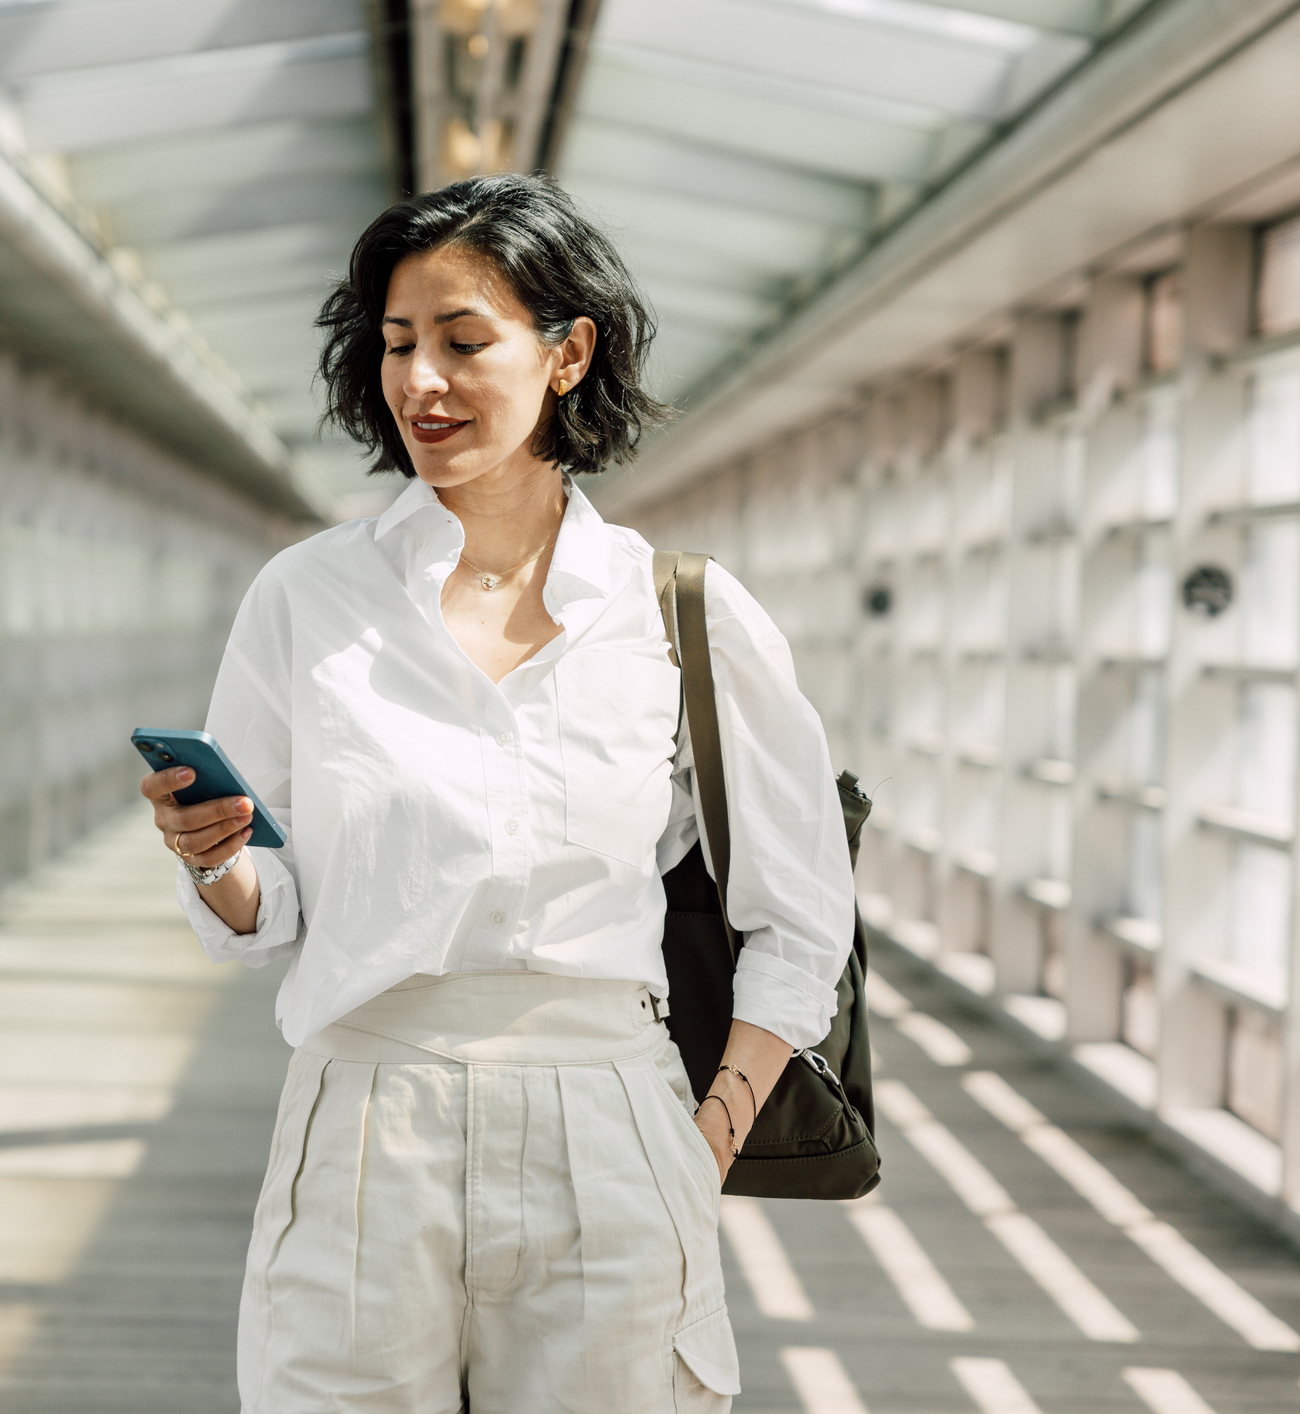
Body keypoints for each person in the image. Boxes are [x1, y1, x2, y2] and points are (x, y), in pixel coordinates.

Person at [141, 173, 854, 1413]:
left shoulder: (680, 612)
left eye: (464, 343)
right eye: (397, 345)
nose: (421, 381)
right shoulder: (306, 598)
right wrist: (214, 855)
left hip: (610, 1118)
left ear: (568, 353)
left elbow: (796, 918)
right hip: (363, 1108)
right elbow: (269, 910)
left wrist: (697, 1153)